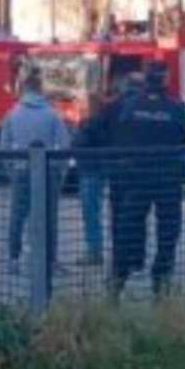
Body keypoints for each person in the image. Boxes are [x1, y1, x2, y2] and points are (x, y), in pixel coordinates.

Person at [109, 63, 185, 295]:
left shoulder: (129, 107)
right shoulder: (176, 109)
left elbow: (120, 138)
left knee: (129, 229)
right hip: (167, 179)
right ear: (165, 79)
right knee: (167, 233)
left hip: (136, 178)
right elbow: (184, 138)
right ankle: (161, 282)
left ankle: (118, 280)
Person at [0, 69, 71, 266]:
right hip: (48, 172)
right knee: (49, 217)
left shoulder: (12, 114)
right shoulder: (52, 114)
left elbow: (3, 147)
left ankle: (14, 259)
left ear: (23, 89)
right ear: (40, 90)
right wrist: (59, 171)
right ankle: (50, 260)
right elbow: (64, 145)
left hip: (21, 170)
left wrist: (11, 171)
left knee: (18, 215)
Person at [74, 84, 120, 267]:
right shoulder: (108, 122)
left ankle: (94, 251)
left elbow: (77, 144)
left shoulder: (90, 124)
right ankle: (109, 250)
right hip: (104, 169)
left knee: (91, 211)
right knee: (109, 211)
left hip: (91, 170)